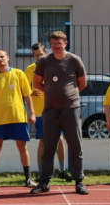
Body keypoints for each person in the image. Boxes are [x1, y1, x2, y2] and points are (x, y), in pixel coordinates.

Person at [30, 31, 89, 195]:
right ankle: (44, 182)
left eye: (59, 42)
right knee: (49, 146)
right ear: (50, 44)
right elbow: (37, 83)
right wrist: (50, 92)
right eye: (53, 43)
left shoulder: (74, 60)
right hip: (49, 110)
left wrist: (68, 95)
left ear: (65, 43)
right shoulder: (44, 61)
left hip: (71, 109)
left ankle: (79, 181)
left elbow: (82, 84)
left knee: (75, 145)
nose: (56, 45)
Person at [0, 49, 36, 188]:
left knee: (22, 147)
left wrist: (32, 113)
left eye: (2, 57)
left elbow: (27, 96)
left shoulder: (19, 74)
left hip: (18, 118)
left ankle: (28, 179)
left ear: (8, 58)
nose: (0, 59)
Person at [24, 43, 68, 180]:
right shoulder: (30, 69)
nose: (38, 57)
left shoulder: (54, 66)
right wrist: (32, 92)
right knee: (43, 141)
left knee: (60, 140)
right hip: (39, 111)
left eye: (40, 54)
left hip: (56, 108)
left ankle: (63, 170)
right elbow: (24, 90)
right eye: (36, 55)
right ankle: (41, 172)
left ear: (46, 52)